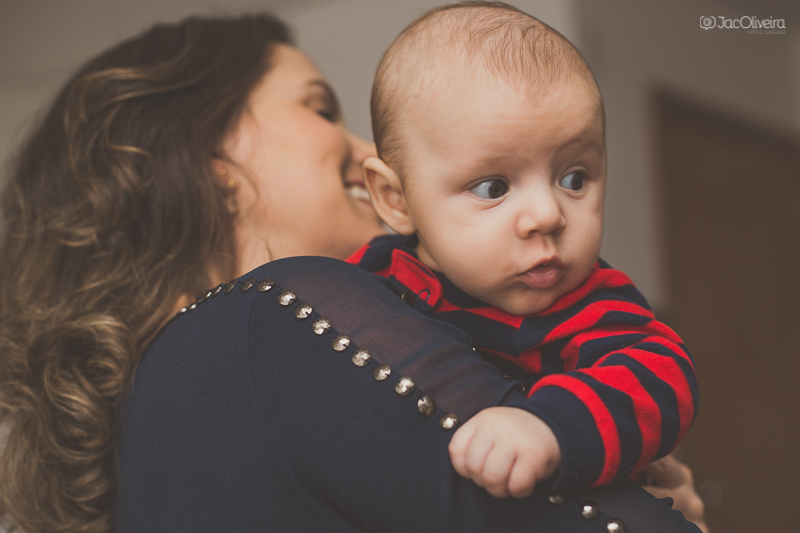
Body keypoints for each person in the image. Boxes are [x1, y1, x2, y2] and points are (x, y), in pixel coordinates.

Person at [0, 12, 706, 533]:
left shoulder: (156, 403)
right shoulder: (268, 318)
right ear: (212, 160)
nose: (366, 147)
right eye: (319, 106)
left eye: (574, 177)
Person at [350, 1, 698, 501]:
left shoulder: (592, 306)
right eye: (492, 187)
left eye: (573, 178)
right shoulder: (364, 279)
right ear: (395, 199)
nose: (548, 215)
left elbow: (662, 377)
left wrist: (549, 426)